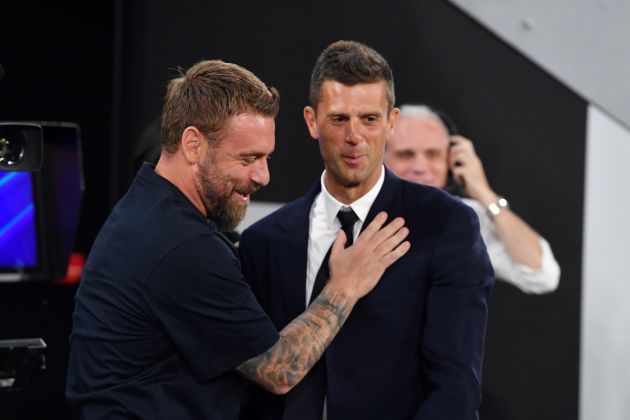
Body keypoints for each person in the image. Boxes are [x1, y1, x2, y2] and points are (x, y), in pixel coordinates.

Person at [65, 59, 411, 419]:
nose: (263, 175)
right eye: (249, 158)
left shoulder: (146, 206)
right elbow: (279, 370)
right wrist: (346, 286)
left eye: (267, 157)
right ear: (193, 144)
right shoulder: (184, 247)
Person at [238, 41, 494, 419]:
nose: (354, 136)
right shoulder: (264, 241)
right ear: (312, 121)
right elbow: (253, 385)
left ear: (391, 123)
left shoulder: (443, 224)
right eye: (339, 119)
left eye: (370, 119)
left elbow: (454, 388)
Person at [384, 104, 560, 294]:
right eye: (405, 155)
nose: (420, 167)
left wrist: (484, 193)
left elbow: (542, 276)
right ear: (381, 158)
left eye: (432, 154)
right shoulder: (356, 209)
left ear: (450, 162)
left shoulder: (465, 219)